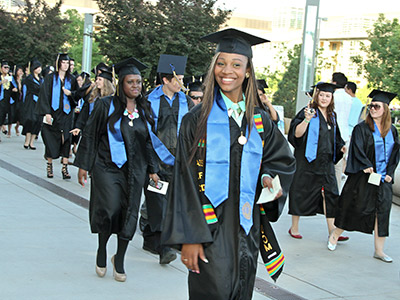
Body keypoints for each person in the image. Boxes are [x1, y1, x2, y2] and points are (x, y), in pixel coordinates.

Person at [161, 28, 296, 299]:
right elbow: (184, 181)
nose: (227, 70)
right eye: (221, 63)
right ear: (213, 68)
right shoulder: (196, 120)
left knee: (241, 291)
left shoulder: (260, 121)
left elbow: (281, 160)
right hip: (209, 228)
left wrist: (269, 178)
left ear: (247, 70)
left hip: (247, 228)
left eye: (236, 64)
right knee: (215, 293)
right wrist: (190, 237)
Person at [74, 57, 159, 282]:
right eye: (130, 82)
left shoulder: (144, 107)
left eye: (139, 82)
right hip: (107, 166)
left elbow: (149, 140)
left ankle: (119, 258)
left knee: (129, 213)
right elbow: (91, 135)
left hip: (136, 169)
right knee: (109, 209)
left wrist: (152, 168)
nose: (135, 86)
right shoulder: (105, 105)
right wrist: (84, 164)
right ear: (121, 84)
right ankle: (102, 248)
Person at [328, 90, 400, 262]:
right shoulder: (362, 128)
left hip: (383, 179)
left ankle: (379, 250)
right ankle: (335, 235)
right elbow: (357, 148)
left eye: (376, 106)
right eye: (371, 106)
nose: (372, 109)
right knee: (354, 208)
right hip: (363, 177)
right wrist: (366, 165)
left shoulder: (393, 131)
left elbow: (395, 154)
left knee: (382, 212)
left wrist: (389, 173)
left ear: (385, 110)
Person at [142, 54, 194, 264]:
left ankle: (152, 239)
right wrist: (151, 165)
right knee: (157, 204)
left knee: (174, 205)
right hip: (155, 162)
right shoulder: (148, 102)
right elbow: (145, 134)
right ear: (165, 80)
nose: (181, 82)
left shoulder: (188, 102)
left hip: (180, 163)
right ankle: (164, 248)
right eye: (177, 78)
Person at [288, 82, 347, 241]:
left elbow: (336, 138)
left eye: (328, 96)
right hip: (307, 160)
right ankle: (294, 227)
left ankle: (332, 230)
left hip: (325, 161)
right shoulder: (308, 111)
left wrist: (341, 148)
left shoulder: (332, 116)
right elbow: (296, 135)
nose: (324, 98)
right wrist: (306, 120)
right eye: (322, 95)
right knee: (300, 191)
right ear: (317, 95)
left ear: (331, 98)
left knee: (330, 193)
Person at [36, 53, 77, 179]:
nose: (65, 65)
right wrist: (47, 112)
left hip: (67, 114)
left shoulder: (72, 80)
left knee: (66, 139)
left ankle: (65, 169)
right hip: (53, 114)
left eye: (67, 63)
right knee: (50, 140)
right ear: (58, 63)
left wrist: (70, 93)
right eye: (63, 62)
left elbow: (78, 95)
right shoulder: (50, 78)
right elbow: (44, 96)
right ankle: (49, 166)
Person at [70, 69, 115, 146]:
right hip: (89, 131)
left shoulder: (112, 99)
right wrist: (78, 127)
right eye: (96, 79)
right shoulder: (93, 97)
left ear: (106, 82)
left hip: (104, 134)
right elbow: (85, 112)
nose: (97, 81)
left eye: (100, 79)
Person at [332, 72, 352, 190]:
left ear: (334, 82)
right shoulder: (349, 98)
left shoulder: (333, 96)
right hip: (345, 134)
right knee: (338, 167)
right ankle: (336, 191)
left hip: (333, 133)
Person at [22, 59, 42, 150]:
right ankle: (27, 140)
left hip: (39, 102)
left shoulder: (42, 79)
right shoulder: (29, 78)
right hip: (31, 101)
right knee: (30, 120)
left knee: (38, 121)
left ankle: (32, 142)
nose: (39, 69)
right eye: (37, 67)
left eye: (40, 67)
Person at [0, 60, 13, 141]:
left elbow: (12, 85)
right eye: (5, 67)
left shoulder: (9, 77)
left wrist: (14, 88)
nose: (6, 69)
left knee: (3, 117)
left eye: (7, 68)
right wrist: (1, 82)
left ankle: (3, 127)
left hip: (7, 99)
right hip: (0, 99)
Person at [11, 65, 24, 137]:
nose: (20, 72)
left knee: (20, 114)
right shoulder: (13, 79)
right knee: (13, 113)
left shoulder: (24, 80)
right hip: (14, 98)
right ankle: (9, 130)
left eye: (21, 71)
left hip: (21, 99)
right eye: (19, 71)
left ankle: (17, 127)